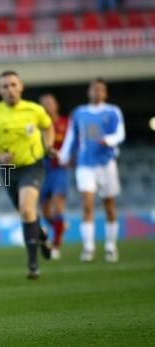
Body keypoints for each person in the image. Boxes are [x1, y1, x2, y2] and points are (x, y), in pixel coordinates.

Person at [0, 70, 54, 279]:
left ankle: (33, 264)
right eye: (5, 86)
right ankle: (42, 235)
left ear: (21, 87)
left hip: (32, 166)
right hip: (8, 170)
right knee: (26, 213)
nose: (10, 89)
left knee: (27, 209)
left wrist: (48, 145)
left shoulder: (34, 110)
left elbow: (48, 126)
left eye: (13, 85)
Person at [59, 78, 125, 263]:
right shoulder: (79, 113)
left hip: (106, 163)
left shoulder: (112, 111)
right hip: (85, 165)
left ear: (105, 93)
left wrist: (109, 141)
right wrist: (63, 156)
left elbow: (120, 133)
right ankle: (89, 247)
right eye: (94, 89)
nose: (97, 93)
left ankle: (111, 246)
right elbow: (71, 137)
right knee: (87, 205)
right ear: (89, 92)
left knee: (109, 206)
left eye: (100, 90)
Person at [39, 93, 70, 260]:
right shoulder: (38, 126)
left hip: (60, 169)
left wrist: (69, 157)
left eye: (49, 103)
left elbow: (74, 143)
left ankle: (56, 246)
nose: (46, 106)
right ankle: (60, 226)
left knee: (58, 205)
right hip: (43, 170)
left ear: (56, 105)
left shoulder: (66, 123)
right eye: (43, 104)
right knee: (45, 213)